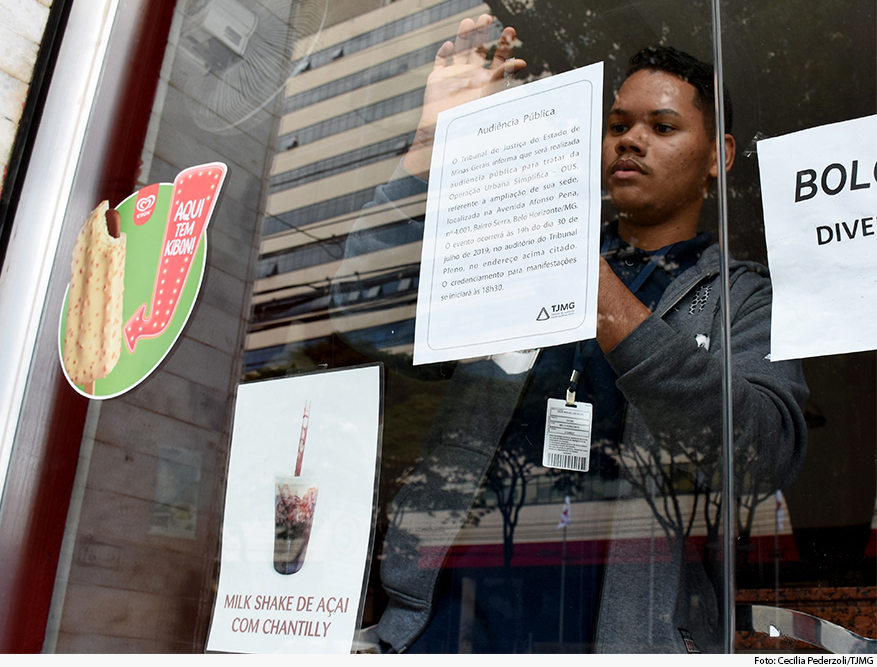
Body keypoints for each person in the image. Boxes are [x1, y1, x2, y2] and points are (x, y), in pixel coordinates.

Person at [336, 15, 809, 653]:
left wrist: (594, 282)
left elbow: (761, 457)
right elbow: (366, 313)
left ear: (718, 158)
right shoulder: (521, 257)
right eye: (618, 126)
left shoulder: (743, 299)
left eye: (662, 127)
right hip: (439, 635)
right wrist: (427, 148)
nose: (631, 141)